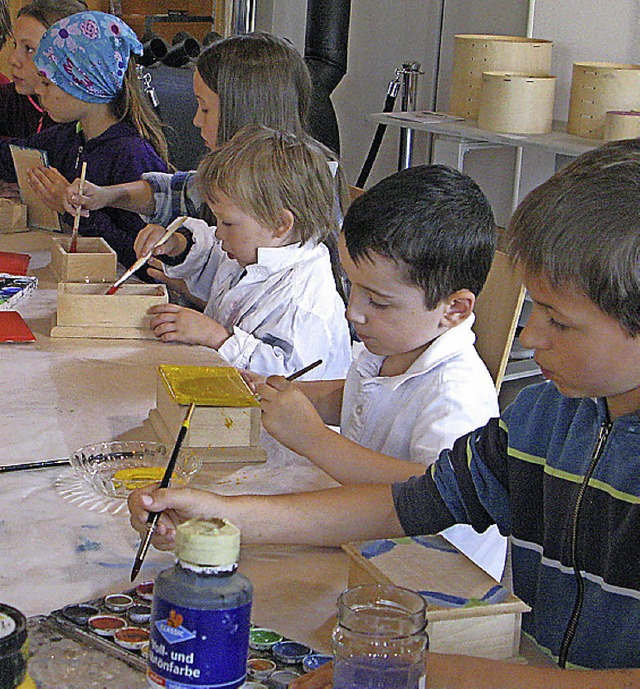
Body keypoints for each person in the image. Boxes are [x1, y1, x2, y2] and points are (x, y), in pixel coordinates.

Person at [129, 141, 640, 686]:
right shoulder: (543, 418)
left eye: (559, 321)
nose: (529, 336)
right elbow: (405, 503)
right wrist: (219, 516)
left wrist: (429, 672)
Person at [245, 164, 505, 576]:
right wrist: (287, 395)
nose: (353, 312)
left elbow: (429, 492)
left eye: (378, 302)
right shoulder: (395, 342)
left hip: (429, 581)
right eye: (351, 287)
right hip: (367, 550)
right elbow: (362, 395)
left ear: (453, 309)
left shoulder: (457, 394)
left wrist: (314, 439)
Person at [138, 123, 351, 379]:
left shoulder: (304, 303)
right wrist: (178, 244)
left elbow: (290, 381)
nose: (218, 232)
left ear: (280, 224)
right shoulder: (257, 248)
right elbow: (214, 260)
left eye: (227, 223)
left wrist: (217, 338)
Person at [0, 11, 169, 270]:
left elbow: (150, 262)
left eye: (47, 83)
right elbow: (8, 157)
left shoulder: (132, 155)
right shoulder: (69, 137)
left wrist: (73, 209)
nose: (38, 90)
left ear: (83, 85)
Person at [0, 0, 88, 140]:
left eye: (29, 49)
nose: (13, 60)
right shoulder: (8, 100)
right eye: (15, 45)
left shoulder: (83, 120)